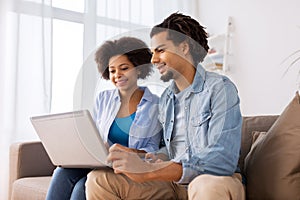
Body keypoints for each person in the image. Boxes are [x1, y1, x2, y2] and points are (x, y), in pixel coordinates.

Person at [86, 12, 245, 200]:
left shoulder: (219, 89)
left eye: (160, 50)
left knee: (205, 186)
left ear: (184, 47)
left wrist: (151, 172)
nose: (153, 60)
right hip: (172, 184)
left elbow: (222, 160)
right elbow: (169, 151)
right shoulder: (167, 98)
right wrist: (142, 157)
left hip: (212, 180)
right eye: (153, 52)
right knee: (98, 179)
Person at [45, 37, 162, 200]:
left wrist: (130, 153)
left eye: (124, 68)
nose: (117, 75)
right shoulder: (103, 98)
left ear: (138, 68)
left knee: (82, 187)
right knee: (62, 171)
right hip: (102, 162)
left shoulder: (156, 104)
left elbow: (154, 149)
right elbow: (94, 135)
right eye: (112, 70)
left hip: (128, 165)